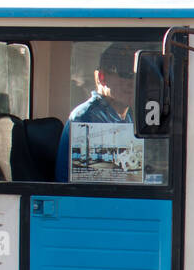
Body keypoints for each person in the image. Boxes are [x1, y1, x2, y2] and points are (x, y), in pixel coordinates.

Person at [56, 43, 138, 181]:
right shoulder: (87, 117)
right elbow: (97, 182)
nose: (131, 81)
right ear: (102, 77)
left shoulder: (128, 116)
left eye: (136, 75)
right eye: (124, 73)